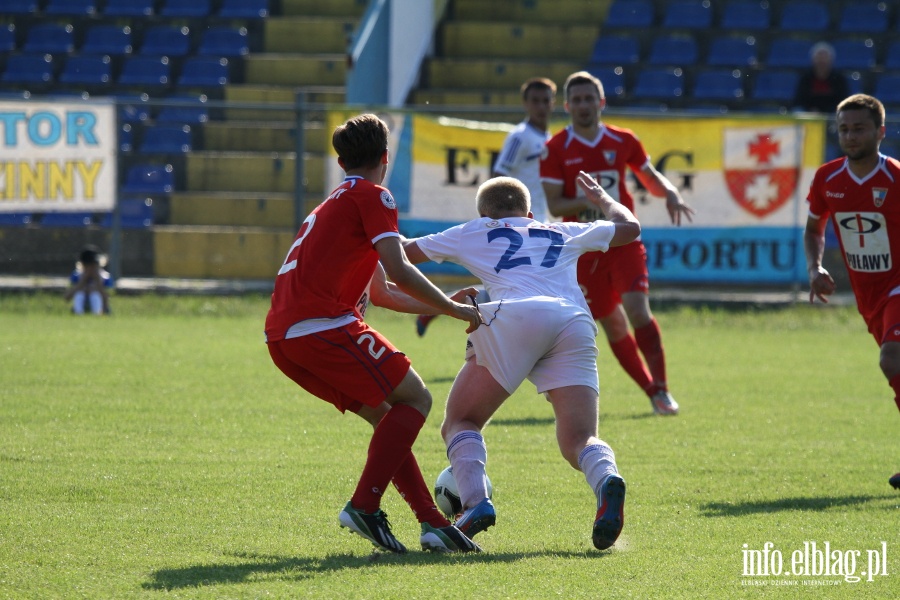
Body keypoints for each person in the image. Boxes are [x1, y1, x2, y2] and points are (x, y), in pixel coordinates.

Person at [264, 113, 485, 554]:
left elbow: (381, 292)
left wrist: (443, 309)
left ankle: (432, 521)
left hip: (284, 338)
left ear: (342, 160)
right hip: (323, 326)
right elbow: (400, 268)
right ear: (385, 158)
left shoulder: (334, 203)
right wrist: (453, 307)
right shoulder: (373, 196)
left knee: (390, 419)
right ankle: (364, 505)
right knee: (417, 398)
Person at [403, 173, 641, 550]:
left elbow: (401, 253)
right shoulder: (559, 231)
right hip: (572, 320)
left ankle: (475, 503)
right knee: (578, 439)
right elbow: (629, 228)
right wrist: (603, 199)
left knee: (461, 420)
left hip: (514, 316)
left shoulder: (476, 230)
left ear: (485, 214)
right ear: (530, 213)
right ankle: (606, 477)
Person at [541, 70, 695, 416]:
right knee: (612, 323)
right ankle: (651, 391)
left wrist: (669, 192)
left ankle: (663, 389)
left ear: (602, 102)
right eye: (577, 100)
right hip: (584, 249)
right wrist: (594, 201)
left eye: (589, 98)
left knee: (639, 310)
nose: (583, 105)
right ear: (567, 106)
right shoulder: (555, 148)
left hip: (622, 241)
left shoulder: (622, 140)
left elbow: (649, 177)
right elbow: (554, 205)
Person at [804, 93, 900, 491]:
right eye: (843, 128)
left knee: (891, 358)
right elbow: (814, 228)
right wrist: (816, 267)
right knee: (895, 369)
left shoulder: (895, 177)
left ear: (880, 131)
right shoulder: (828, 178)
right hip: (869, 296)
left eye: (858, 128)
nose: (850, 135)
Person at [415, 77, 558, 338]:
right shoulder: (520, 137)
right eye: (535, 101)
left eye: (546, 100)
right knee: (509, 286)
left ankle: (438, 308)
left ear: (554, 103)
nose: (541, 106)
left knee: (505, 287)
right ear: (525, 103)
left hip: (536, 220)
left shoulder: (548, 139)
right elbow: (498, 175)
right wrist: (498, 215)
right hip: (514, 222)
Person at [793, 41, 851, 114]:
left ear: (831, 60)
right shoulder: (805, 78)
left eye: (824, 58)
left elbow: (843, 101)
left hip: (831, 114)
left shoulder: (839, 79)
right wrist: (811, 110)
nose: (822, 61)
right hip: (809, 113)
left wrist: (826, 111)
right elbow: (799, 100)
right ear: (813, 60)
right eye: (819, 58)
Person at [63, 244, 112, 315]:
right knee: (79, 295)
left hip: (101, 307)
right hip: (82, 303)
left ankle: (97, 314)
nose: (90, 268)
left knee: (95, 295)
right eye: (87, 265)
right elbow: (67, 297)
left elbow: (107, 299)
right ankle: (78, 314)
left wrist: (98, 283)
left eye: (93, 265)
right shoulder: (77, 276)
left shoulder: (105, 277)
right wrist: (82, 283)